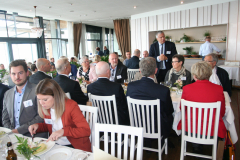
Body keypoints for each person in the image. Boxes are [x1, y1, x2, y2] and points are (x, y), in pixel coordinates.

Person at [28, 79, 91, 152]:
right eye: (39, 99)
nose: (41, 103)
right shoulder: (46, 107)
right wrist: (38, 126)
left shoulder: (71, 106)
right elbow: (51, 125)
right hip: (56, 145)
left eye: (45, 100)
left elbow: (85, 131)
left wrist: (63, 131)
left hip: (74, 147)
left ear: (56, 96)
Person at [177, 61, 226, 153]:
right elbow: (222, 112)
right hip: (212, 130)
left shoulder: (187, 88)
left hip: (190, 129)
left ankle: (196, 147)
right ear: (209, 74)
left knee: (193, 121)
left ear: (194, 75)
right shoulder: (218, 89)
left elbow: (182, 109)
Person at [126, 57, 174, 139]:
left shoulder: (130, 86)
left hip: (136, 124)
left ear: (140, 71)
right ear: (156, 71)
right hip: (157, 127)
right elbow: (169, 110)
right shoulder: (163, 90)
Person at [2, 60, 46, 137]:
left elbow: (41, 116)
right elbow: (5, 118)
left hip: (33, 135)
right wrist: (10, 132)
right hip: (12, 135)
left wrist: (19, 130)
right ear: (10, 75)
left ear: (27, 73)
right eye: (13, 74)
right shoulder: (7, 94)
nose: (17, 77)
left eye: (20, 73)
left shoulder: (37, 90)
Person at [87, 61, 130, 125]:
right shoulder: (116, 87)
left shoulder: (90, 87)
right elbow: (124, 106)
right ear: (108, 71)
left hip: (98, 121)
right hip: (115, 122)